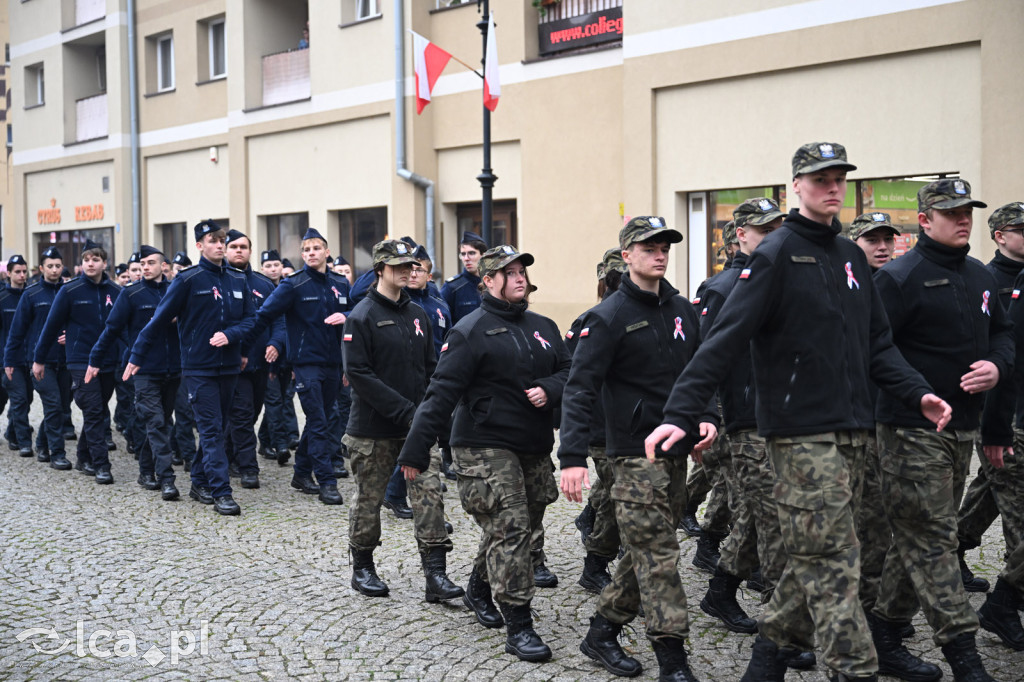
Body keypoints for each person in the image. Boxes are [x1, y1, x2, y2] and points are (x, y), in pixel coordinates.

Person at [646, 142, 952, 682]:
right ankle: (854, 668)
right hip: (798, 435)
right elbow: (722, 340)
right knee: (835, 562)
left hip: (853, 432)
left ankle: (764, 665)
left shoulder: (850, 255)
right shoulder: (776, 254)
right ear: (796, 187)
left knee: (815, 554)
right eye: (819, 179)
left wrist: (916, 392)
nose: (832, 188)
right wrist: (681, 412)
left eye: (839, 179)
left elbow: (877, 344)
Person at [558, 217, 716, 681]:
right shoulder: (607, 317)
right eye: (649, 247)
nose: (660, 254)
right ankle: (673, 658)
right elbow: (579, 389)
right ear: (626, 256)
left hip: (676, 450)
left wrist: (707, 415)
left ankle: (602, 631)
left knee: (646, 550)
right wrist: (571, 458)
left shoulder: (683, 309)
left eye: (665, 246)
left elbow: (699, 371)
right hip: (632, 456)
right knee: (661, 555)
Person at [398, 244, 568, 662]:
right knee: (511, 528)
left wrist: (550, 389)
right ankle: (519, 624)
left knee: (522, 523)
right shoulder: (470, 330)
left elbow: (569, 371)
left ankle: (478, 588)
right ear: (488, 281)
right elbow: (440, 393)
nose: (519, 278)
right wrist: (414, 451)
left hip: (533, 442)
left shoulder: (543, 325)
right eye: (510, 273)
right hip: (482, 443)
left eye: (522, 272)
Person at [868, 179, 1008, 682]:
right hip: (910, 429)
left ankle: (884, 633)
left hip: (963, 428)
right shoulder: (898, 278)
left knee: (917, 535)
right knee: (934, 540)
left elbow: (1004, 333)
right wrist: (915, 394)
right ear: (925, 220)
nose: (963, 219)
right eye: (951, 213)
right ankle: (964, 656)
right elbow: (874, 350)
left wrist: (996, 365)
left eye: (967, 211)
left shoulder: (979, 275)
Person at [341, 239, 461, 602]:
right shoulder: (361, 316)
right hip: (373, 429)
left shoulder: (418, 314)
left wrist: (432, 414)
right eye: (398, 266)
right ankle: (363, 567)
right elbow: (359, 374)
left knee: (429, 496)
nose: (407, 271)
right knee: (369, 499)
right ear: (380, 270)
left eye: (410, 265)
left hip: (416, 430)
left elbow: (429, 369)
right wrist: (407, 412)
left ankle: (436, 575)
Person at [696, 198, 793, 641]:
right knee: (774, 517)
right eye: (764, 230)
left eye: (778, 229)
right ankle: (783, 623)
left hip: (786, 416)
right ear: (741, 235)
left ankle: (720, 590)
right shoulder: (723, 287)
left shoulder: (784, 279)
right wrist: (707, 416)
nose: (774, 237)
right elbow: (705, 358)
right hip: (745, 420)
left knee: (757, 515)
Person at [128, 220, 255, 516]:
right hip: (199, 368)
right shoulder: (188, 280)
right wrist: (136, 355)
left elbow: (252, 319)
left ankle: (198, 481)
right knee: (210, 431)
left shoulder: (238, 279)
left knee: (219, 429)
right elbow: (159, 320)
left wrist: (231, 335)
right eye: (213, 241)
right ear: (199, 246)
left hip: (229, 366)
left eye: (222, 240)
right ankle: (222, 491)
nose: (220, 245)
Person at [244, 227, 350, 505]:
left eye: (316, 248)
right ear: (302, 255)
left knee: (320, 420)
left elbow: (358, 312)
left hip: (333, 363)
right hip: (305, 364)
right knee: (319, 421)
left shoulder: (340, 283)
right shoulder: (293, 284)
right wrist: (243, 348)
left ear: (327, 252)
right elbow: (264, 316)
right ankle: (326, 481)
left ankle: (301, 473)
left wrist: (347, 316)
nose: (311, 253)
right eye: (306, 250)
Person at [957, 201, 1024, 592]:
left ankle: (953, 545)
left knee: (993, 483)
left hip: (1018, 404)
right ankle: (1012, 593)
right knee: (1015, 493)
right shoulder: (984, 279)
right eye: (1022, 230)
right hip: (998, 407)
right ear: (1000, 236)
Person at [87, 246, 181, 500]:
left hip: (173, 368)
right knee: (156, 422)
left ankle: (146, 470)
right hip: (143, 369)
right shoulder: (131, 293)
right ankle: (167, 478)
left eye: (151, 263)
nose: (145, 268)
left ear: (163, 266)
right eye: (142, 264)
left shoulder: (177, 290)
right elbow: (112, 329)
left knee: (161, 422)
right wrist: (95, 359)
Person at [564, 246, 627, 596]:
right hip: (603, 427)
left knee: (611, 492)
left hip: (632, 426)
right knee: (618, 497)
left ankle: (590, 521)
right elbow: (573, 379)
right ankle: (597, 563)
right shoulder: (593, 320)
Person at [34, 239, 122, 484]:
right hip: (80, 359)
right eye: (86, 260)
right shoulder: (70, 290)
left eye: (95, 259)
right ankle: (101, 464)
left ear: (104, 263)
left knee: (98, 410)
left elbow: (123, 328)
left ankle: (83, 457)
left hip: (108, 360)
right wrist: (39, 359)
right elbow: (51, 327)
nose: (90, 263)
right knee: (93, 411)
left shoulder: (116, 292)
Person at [382, 245, 452, 520]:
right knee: (411, 439)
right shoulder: (398, 303)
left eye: (418, 270)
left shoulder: (439, 307)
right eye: (409, 269)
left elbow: (449, 343)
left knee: (425, 439)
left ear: (429, 275)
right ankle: (395, 493)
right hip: (403, 380)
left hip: (434, 378)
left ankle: (419, 499)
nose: (412, 274)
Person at [224, 230, 285, 490]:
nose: (239, 251)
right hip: (232, 364)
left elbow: (279, 320)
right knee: (241, 414)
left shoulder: (264, 284)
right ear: (225, 250)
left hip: (260, 363)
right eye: (233, 246)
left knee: (250, 415)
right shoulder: (219, 281)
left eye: (243, 247)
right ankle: (248, 467)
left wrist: (276, 343)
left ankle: (228, 455)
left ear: (250, 251)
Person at [5, 247, 67, 467]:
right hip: (40, 361)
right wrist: (9, 360)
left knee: (61, 408)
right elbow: (17, 330)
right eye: (50, 266)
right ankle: (57, 454)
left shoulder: (69, 291)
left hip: (66, 360)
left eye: (57, 266)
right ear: (41, 268)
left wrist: (72, 334)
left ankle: (41, 442)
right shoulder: (31, 294)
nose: (54, 270)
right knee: (53, 405)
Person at [256, 249, 291, 465]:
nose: (272, 269)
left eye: (276, 265)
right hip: (268, 354)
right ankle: (281, 444)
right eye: (268, 266)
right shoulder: (259, 289)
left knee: (281, 400)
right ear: (262, 269)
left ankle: (264, 439)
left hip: (287, 355)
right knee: (274, 400)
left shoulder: (288, 288)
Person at [0, 256, 36, 459]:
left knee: (26, 398)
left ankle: (13, 433)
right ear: (9, 273)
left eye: (24, 272)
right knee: (18, 399)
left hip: (28, 357)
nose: (22, 275)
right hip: (7, 359)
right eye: (17, 272)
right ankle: (24, 442)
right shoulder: (3, 298)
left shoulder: (31, 296)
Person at [440, 231, 487, 324]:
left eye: (471, 253)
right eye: (463, 254)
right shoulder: (452, 287)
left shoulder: (493, 283)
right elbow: (443, 321)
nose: (466, 258)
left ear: (483, 255)